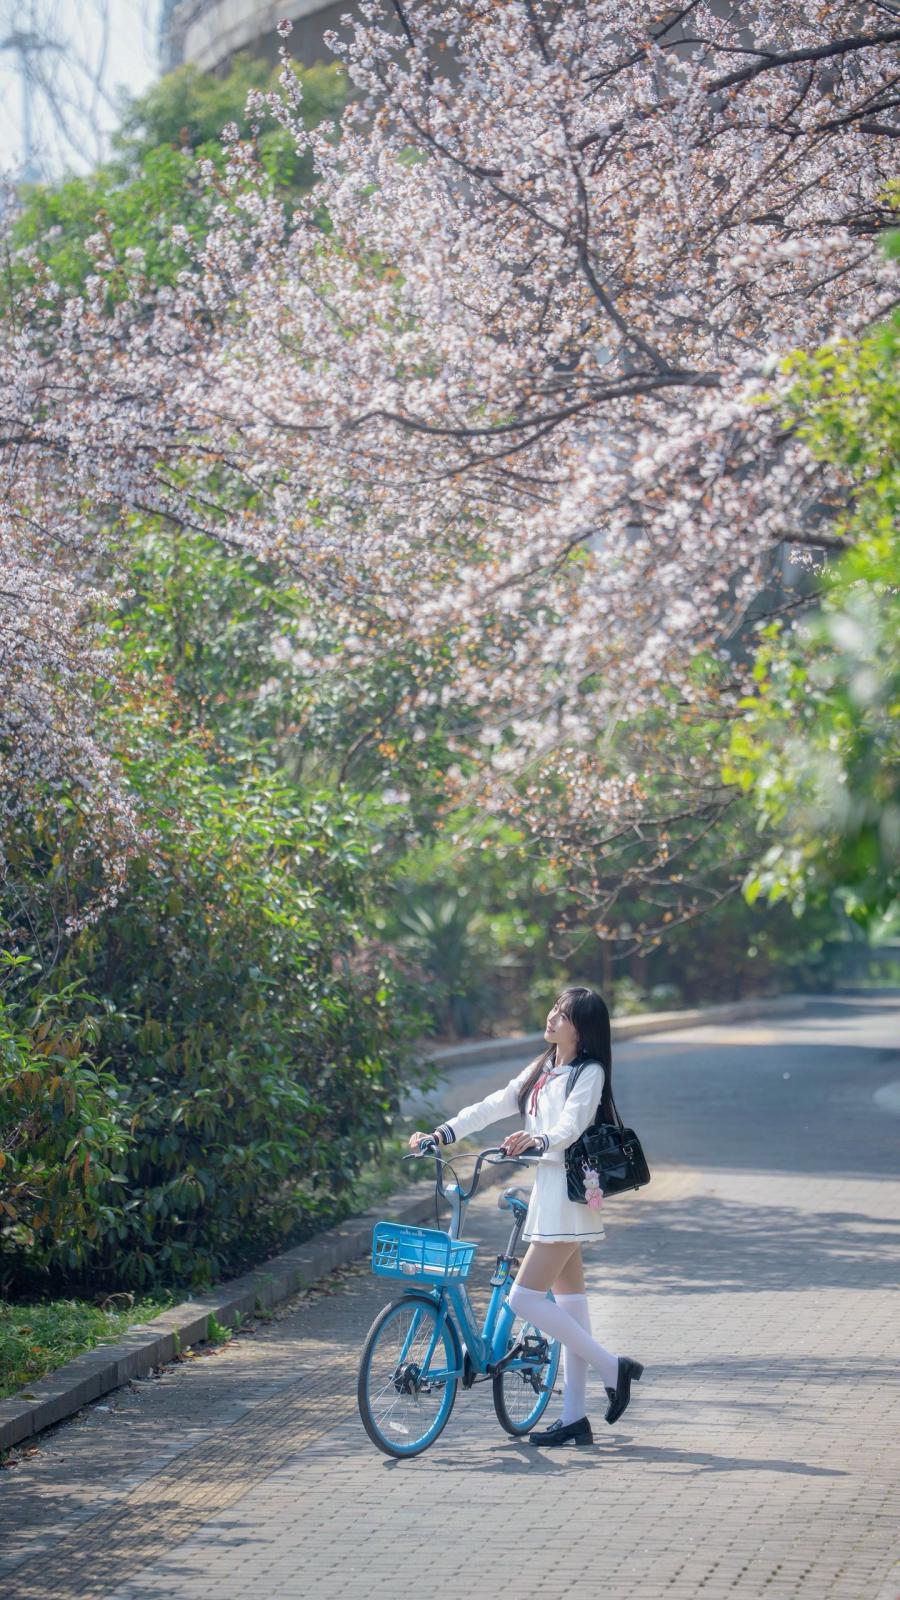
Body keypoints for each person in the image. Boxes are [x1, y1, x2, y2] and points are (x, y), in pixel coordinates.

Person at [408, 984, 644, 1447]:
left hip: (566, 1200)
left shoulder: (588, 1072)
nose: (552, 1017)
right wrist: (444, 1132)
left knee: (522, 1300)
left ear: (582, 1028)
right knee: (572, 1309)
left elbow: (571, 1126)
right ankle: (575, 1415)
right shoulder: (544, 1067)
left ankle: (612, 1366)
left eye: (563, 1014)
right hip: (549, 1197)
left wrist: (537, 1141)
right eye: (554, 1009)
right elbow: (495, 1103)